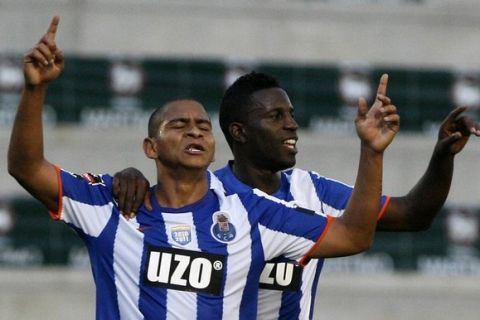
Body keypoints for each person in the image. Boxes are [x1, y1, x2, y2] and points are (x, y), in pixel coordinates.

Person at [7, 16, 400, 320]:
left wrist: (372, 152)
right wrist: (35, 89)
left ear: (215, 146)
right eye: (179, 125)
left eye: (203, 127)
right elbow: (25, 167)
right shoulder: (112, 204)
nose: (194, 131)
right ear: (151, 147)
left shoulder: (251, 212)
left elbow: (354, 236)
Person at [114, 71, 479, 320]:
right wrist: (129, 178)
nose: (292, 124)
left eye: (290, 114)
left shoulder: (311, 190)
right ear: (239, 132)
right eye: (275, 116)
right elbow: (163, 204)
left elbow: (413, 215)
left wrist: (443, 155)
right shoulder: (209, 196)